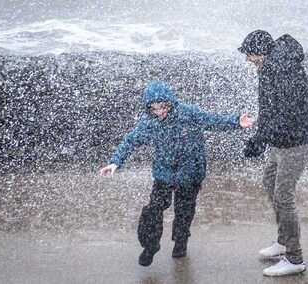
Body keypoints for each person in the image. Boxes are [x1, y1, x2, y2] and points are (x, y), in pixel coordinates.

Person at [99, 81, 254, 267]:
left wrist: (237, 121)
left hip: (190, 173)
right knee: (153, 210)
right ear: (149, 108)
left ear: (171, 103)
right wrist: (116, 162)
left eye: (163, 107)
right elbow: (131, 140)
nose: (160, 112)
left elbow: (213, 121)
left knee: (184, 211)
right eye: (155, 108)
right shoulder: (149, 121)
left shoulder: (188, 113)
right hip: (164, 173)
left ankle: (180, 242)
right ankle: (150, 247)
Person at [238, 30, 308, 277]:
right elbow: (270, 109)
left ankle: (295, 258)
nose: (248, 59)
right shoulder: (272, 65)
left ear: (263, 52)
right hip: (282, 139)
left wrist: (260, 139)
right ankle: (283, 242)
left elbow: (283, 112)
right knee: (269, 181)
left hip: (296, 141)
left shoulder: (281, 70)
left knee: (283, 195)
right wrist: (261, 136)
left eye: (250, 54)